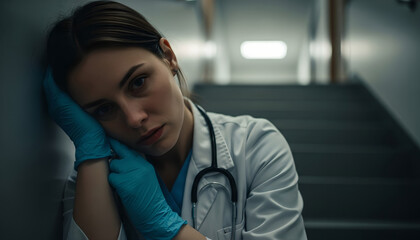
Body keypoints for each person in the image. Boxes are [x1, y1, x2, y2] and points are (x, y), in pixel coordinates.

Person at [44, 1, 307, 239]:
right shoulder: (92, 175)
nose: (134, 119)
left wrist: (165, 227)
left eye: (138, 82)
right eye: (104, 109)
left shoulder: (256, 145)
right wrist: (90, 147)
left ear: (169, 56)